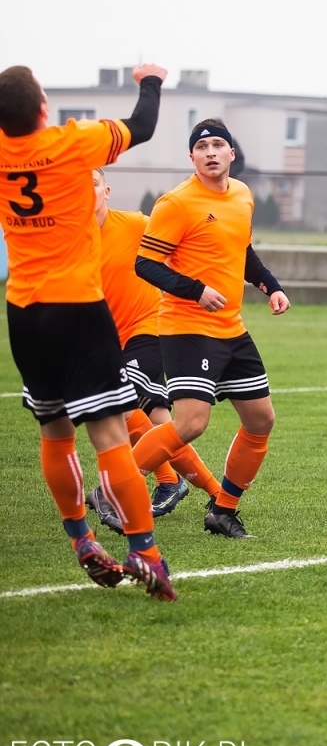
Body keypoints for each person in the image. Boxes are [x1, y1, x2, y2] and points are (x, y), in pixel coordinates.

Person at [0, 62, 176, 599]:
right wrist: (150, 80)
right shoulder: (74, 143)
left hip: (24, 312)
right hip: (78, 305)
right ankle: (146, 553)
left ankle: (80, 536)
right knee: (110, 435)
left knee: (54, 431)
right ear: (43, 108)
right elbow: (142, 127)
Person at [120, 118, 291, 540]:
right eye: (202, 147)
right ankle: (114, 487)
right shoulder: (176, 203)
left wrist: (271, 286)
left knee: (261, 419)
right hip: (187, 327)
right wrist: (196, 290)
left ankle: (223, 511)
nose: (211, 152)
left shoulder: (243, 196)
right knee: (191, 423)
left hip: (230, 328)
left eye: (218, 145)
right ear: (192, 157)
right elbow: (145, 264)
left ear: (231, 153)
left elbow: (242, 251)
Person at [87, 167, 225, 530]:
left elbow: (175, 240)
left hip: (147, 328)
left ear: (107, 191)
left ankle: (166, 481)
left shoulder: (134, 224)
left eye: (93, 184)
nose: (84, 192)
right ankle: (210, 490)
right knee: (155, 422)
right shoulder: (69, 239)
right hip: (105, 341)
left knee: (134, 404)